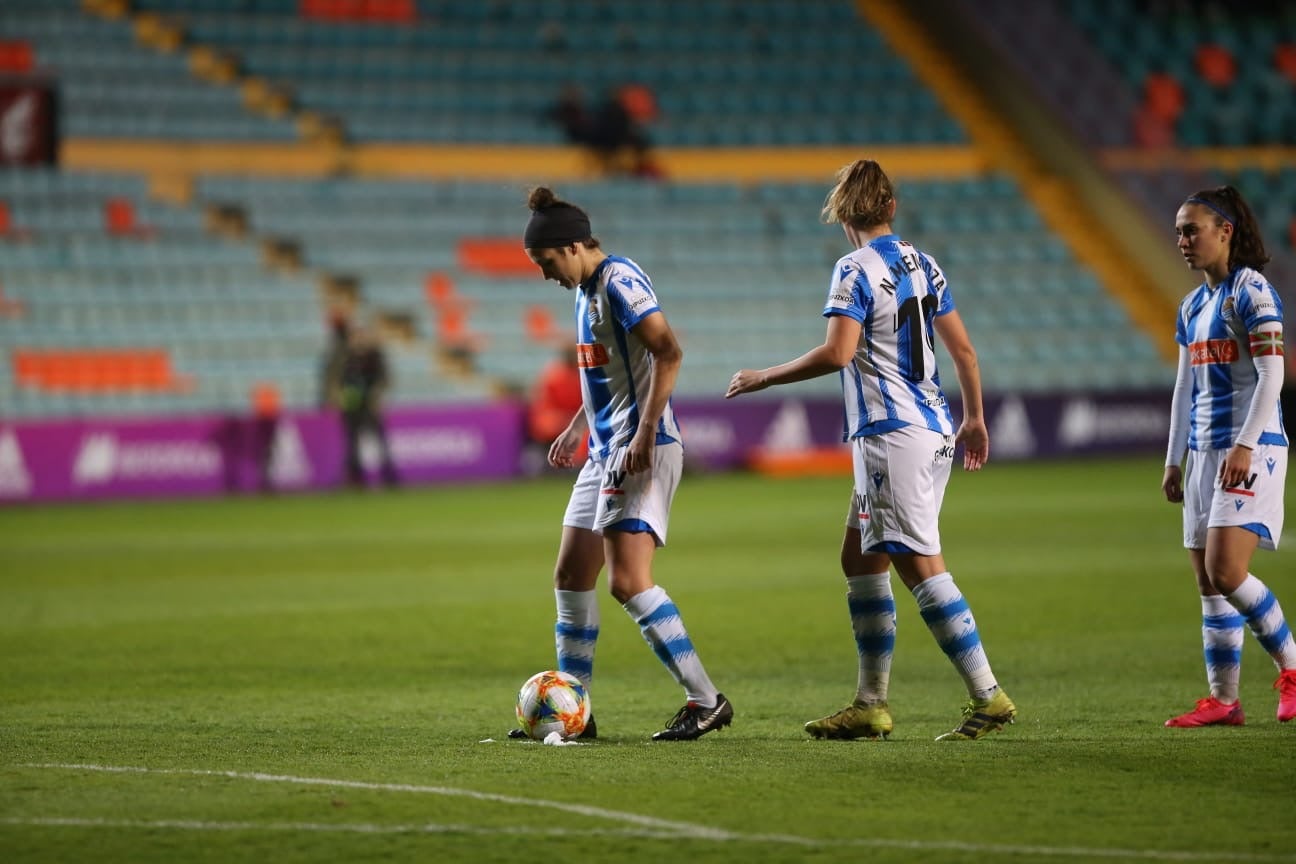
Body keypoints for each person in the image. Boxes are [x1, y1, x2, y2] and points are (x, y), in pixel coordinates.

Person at [725, 158, 1015, 741]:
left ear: (841, 213)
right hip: (934, 428)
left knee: (920, 565)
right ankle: (870, 704)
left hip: (891, 434)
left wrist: (767, 376)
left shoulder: (852, 270)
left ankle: (988, 695)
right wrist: (976, 417)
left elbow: (838, 353)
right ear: (891, 208)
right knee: (860, 558)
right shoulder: (924, 263)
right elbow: (965, 352)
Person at [507, 186, 732, 741]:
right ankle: (575, 714)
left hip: (641, 448)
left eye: (547, 262)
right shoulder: (584, 293)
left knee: (629, 581)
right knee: (571, 573)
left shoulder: (620, 283)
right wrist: (576, 427)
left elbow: (668, 352)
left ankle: (706, 701)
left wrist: (646, 430)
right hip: (605, 450)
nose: (545, 274)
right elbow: (607, 376)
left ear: (574, 246)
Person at [1161, 185, 1295, 727]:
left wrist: (1243, 444)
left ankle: (1291, 667)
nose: (1183, 241)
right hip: (1202, 452)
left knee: (1226, 570)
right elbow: (1182, 389)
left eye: (1191, 229)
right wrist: (1174, 458)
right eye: (1178, 231)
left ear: (1225, 231)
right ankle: (1224, 700)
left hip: (1252, 449)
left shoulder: (1253, 292)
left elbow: (1273, 374)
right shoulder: (1192, 305)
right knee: (1206, 581)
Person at [336, 323, 399, 489]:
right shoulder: (346, 357)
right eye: (355, 337)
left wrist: (376, 396)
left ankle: (389, 477)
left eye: (361, 336)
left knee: (379, 441)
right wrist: (339, 396)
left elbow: (384, 379)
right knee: (352, 443)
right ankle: (355, 478)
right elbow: (338, 381)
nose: (358, 340)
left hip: (370, 405)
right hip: (351, 406)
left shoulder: (374, 356)